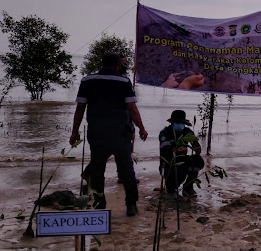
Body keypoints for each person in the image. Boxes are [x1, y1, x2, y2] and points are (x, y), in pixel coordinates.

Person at [70, 52, 148, 217]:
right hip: (120, 132)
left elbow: (80, 108)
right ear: (118, 65)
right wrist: (141, 128)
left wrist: (74, 131)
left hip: (97, 132)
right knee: (126, 169)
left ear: (102, 64)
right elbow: (132, 109)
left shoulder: (87, 81)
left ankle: (99, 203)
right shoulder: (124, 81)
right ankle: (131, 204)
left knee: (98, 169)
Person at [158, 110, 204, 197]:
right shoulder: (165, 133)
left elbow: (196, 145)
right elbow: (165, 150)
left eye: (181, 123)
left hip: (183, 162)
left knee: (198, 160)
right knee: (171, 190)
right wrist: (175, 150)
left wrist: (196, 148)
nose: (180, 125)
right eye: (177, 122)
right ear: (172, 123)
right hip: (168, 164)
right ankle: (170, 186)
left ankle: (188, 187)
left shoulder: (187, 132)